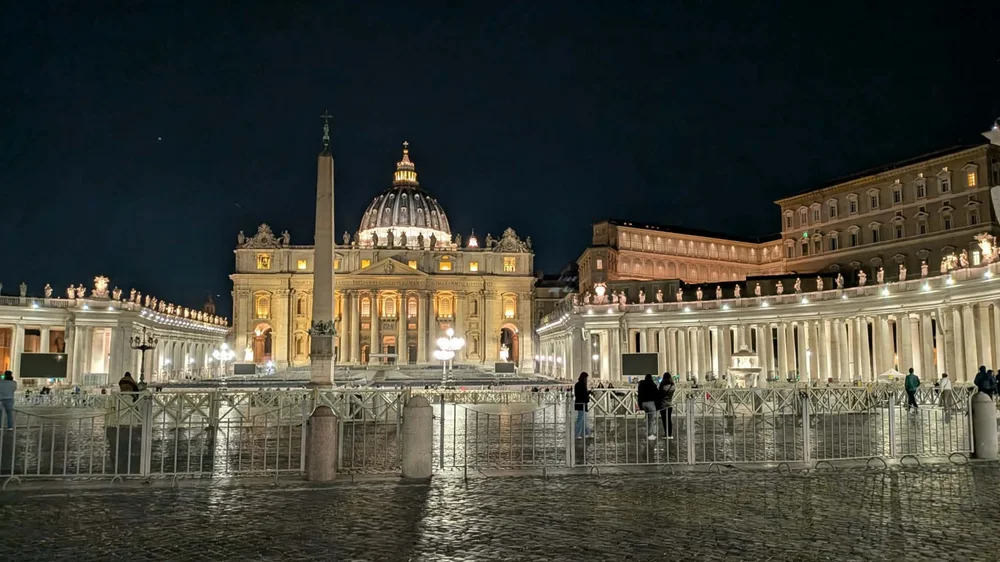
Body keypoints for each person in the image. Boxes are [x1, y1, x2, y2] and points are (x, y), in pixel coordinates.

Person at [637, 373, 658, 441]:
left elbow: (639, 395)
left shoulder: (641, 385)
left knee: (647, 418)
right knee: (651, 419)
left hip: (643, 403)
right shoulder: (653, 384)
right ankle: (649, 434)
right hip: (651, 403)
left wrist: (640, 405)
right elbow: (656, 394)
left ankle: (649, 432)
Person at [658, 372, 676, 439]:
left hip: (663, 405)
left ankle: (666, 434)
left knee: (664, 421)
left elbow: (659, 394)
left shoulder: (662, 386)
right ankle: (670, 434)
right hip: (670, 405)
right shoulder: (673, 386)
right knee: (669, 420)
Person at [573, 372, 591, 439]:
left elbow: (577, 394)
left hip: (579, 404)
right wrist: (589, 392)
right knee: (580, 420)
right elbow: (583, 394)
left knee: (584, 419)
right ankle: (576, 434)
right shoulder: (582, 385)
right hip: (582, 404)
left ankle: (586, 433)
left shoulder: (577, 384)